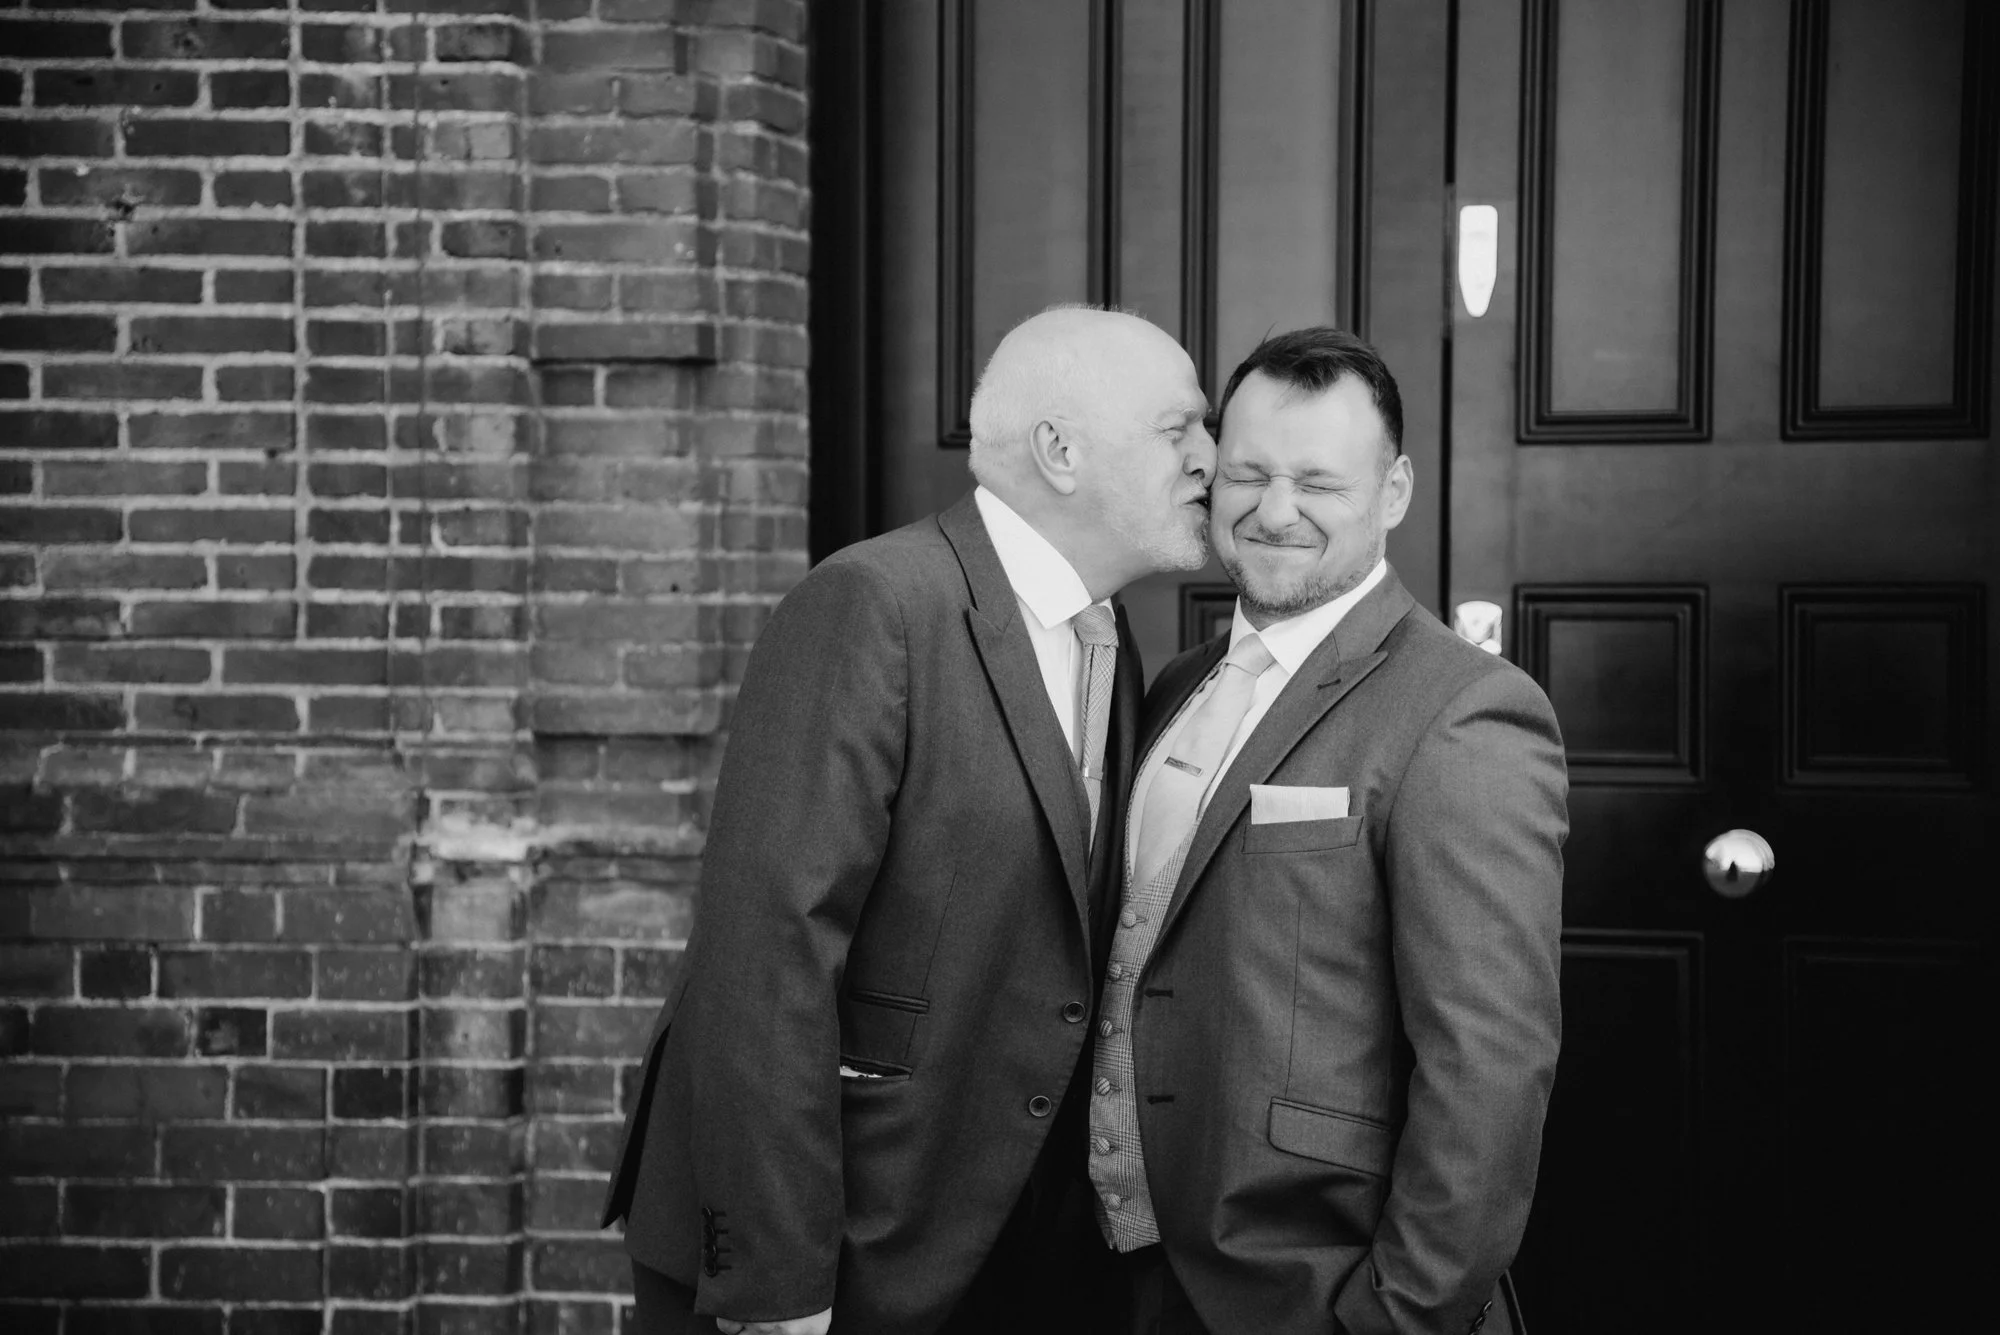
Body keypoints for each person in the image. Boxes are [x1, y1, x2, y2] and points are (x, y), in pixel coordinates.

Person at [601, 306, 1218, 1335]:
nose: (1211, 457)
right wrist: (776, 1286)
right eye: (1178, 429)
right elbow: (763, 955)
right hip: (823, 1253)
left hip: (983, 1245)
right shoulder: (871, 606)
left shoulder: (1107, 639)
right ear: (1060, 452)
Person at [1088, 327, 1566, 1335]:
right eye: (1247, 474)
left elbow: (1485, 1065)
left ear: (1391, 493)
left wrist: (1394, 1315)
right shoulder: (1177, 683)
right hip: (1134, 1270)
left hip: (1318, 1287)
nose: (1272, 512)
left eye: (1317, 482)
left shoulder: (1464, 710)